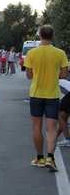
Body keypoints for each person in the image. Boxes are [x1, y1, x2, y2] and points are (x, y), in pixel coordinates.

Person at [25, 25, 68, 172]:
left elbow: (29, 76)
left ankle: (39, 157)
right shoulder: (60, 53)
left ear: (39, 34)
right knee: (51, 128)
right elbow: (64, 75)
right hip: (53, 95)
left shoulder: (32, 53)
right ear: (53, 36)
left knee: (36, 127)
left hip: (36, 94)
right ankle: (50, 157)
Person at [56, 79, 70, 147]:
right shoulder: (61, 81)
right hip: (67, 95)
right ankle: (56, 137)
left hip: (68, 95)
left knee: (59, 116)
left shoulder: (53, 83)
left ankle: (67, 139)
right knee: (63, 118)